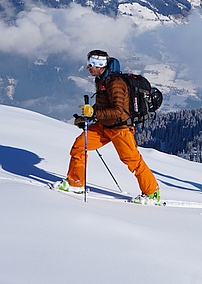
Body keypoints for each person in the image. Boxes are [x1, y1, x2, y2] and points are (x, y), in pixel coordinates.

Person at [54, 49, 160, 205]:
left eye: (90, 64)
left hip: (120, 129)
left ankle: (152, 193)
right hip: (104, 126)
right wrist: (87, 118)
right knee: (79, 145)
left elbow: (120, 111)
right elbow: (104, 104)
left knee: (132, 160)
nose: (87, 67)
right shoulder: (102, 80)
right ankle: (75, 184)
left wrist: (94, 112)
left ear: (99, 65)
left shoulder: (116, 83)